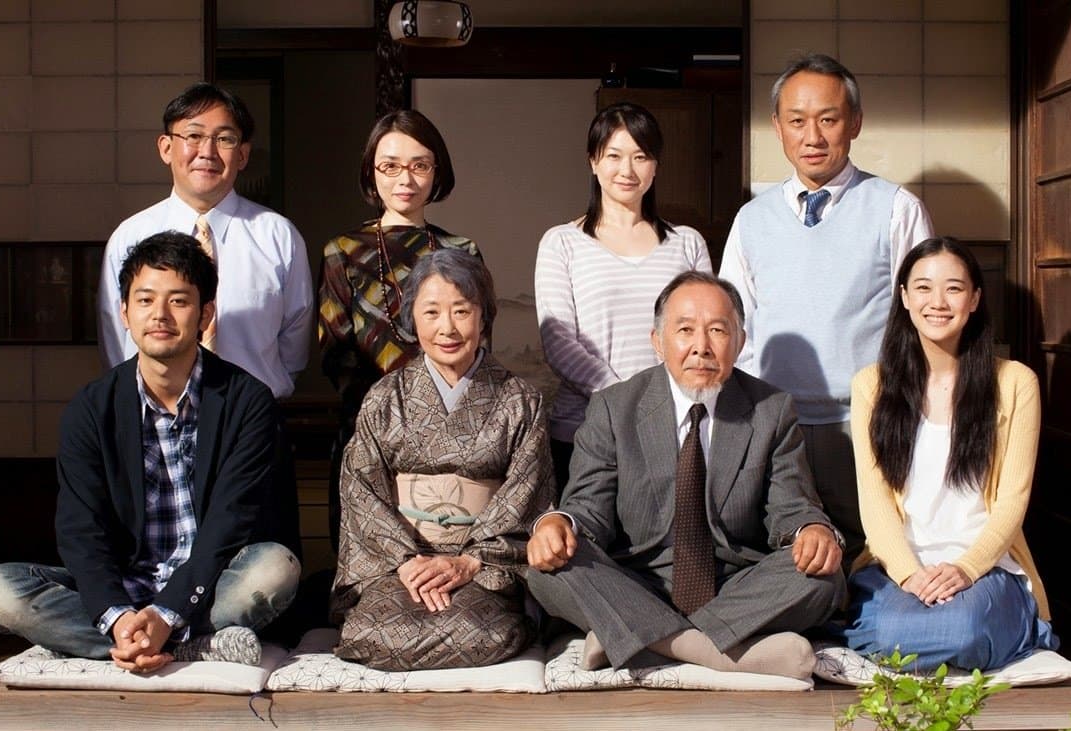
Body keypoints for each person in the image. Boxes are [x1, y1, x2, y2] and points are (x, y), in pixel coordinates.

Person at [0, 232, 300, 672]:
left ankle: (140, 641)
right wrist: (116, 613)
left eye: (178, 301)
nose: (160, 315)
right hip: (123, 585)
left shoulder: (247, 401)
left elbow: (230, 523)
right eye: (145, 300)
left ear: (206, 313)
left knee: (274, 569)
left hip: (209, 585)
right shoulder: (92, 408)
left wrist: (167, 612)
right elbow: (80, 530)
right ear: (125, 313)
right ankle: (183, 647)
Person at [526, 271, 844, 680]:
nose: (701, 347)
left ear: (740, 342)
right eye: (685, 330)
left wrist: (811, 530)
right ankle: (715, 652)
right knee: (547, 566)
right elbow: (587, 509)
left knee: (824, 575)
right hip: (637, 581)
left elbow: (793, 506)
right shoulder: (614, 407)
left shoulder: (771, 410)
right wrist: (557, 523)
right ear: (658, 341)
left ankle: (638, 639)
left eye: (717, 330)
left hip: (736, 585)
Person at [718, 53, 935, 562]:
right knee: (787, 554)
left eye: (828, 119)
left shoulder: (896, 209)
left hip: (866, 421)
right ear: (777, 128)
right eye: (797, 121)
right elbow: (735, 326)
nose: (812, 136)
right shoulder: (752, 219)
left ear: (854, 123)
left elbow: (924, 325)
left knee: (873, 554)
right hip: (777, 425)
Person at [97, 82, 310, 560]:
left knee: (265, 561)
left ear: (244, 153)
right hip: (156, 426)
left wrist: (251, 398)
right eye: (193, 135)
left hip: (252, 426)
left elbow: (294, 339)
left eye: (225, 138)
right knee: (158, 557)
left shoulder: (277, 235)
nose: (207, 151)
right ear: (166, 147)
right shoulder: (130, 236)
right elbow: (117, 341)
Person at [330, 249, 553, 671]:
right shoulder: (384, 398)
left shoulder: (520, 401)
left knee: (482, 633)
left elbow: (528, 494)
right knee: (372, 633)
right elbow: (361, 490)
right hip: (400, 564)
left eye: (461, 311)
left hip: (480, 565)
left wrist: (470, 561)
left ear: (484, 317)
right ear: (412, 319)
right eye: (431, 312)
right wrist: (407, 561)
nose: (447, 328)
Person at [843, 238, 1058, 671]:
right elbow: (875, 502)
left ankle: (1006, 624)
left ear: (975, 298)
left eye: (954, 289)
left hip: (985, 566)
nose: (937, 302)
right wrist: (909, 574)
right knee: (891, 634)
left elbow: (1013, 501)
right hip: (900, 567)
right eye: (923, 288)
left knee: (962, 633)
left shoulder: (1015, 383)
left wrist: (965, 569)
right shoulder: (872, 385)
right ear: (903, 296)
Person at [318, 109, 480, 549]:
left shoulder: (461, 251)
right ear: (372, 173)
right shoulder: (343, 252)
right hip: (366, 432)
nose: (404, 179)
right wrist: (388, 417)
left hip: (449, 434)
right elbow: (335, 352)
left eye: (419, 165)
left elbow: (475, 345)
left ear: (436, 171)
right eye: (389, 166)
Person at [535, 102, 712, 489]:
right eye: (613, 156)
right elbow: (558, 340)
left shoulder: (687, 243)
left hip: (674, 429)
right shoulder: (562, 243)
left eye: (641, 156)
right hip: (585, 430)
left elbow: (706, 332)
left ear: (656, 166)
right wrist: (627, 401)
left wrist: (660, 410)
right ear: (593, 162)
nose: (627, 170)